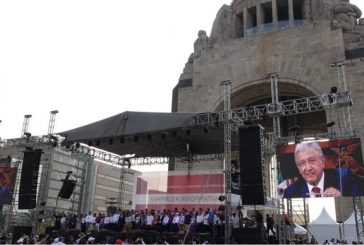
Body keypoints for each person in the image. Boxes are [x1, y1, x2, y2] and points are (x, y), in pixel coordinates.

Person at [283, 142, 361, 198]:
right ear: (298, 168)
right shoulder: (290, 192)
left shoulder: (343, 177)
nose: (308, 168)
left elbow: (357, 199)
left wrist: (341, 197)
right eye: (302, 163)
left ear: (322, 161)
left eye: (312, 160)